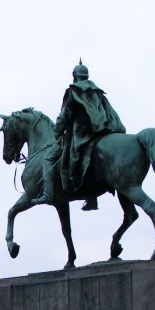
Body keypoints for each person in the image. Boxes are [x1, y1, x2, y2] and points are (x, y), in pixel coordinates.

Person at [37, 59, 126, 210]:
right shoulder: (97, 91)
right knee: (89, 159)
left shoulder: (74, 91)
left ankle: (47, 194)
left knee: (48, 158)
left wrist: (57, 132)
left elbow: (65, 114)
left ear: (74, 76)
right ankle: (92, 198)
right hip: (99, 131)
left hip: (80, 133)